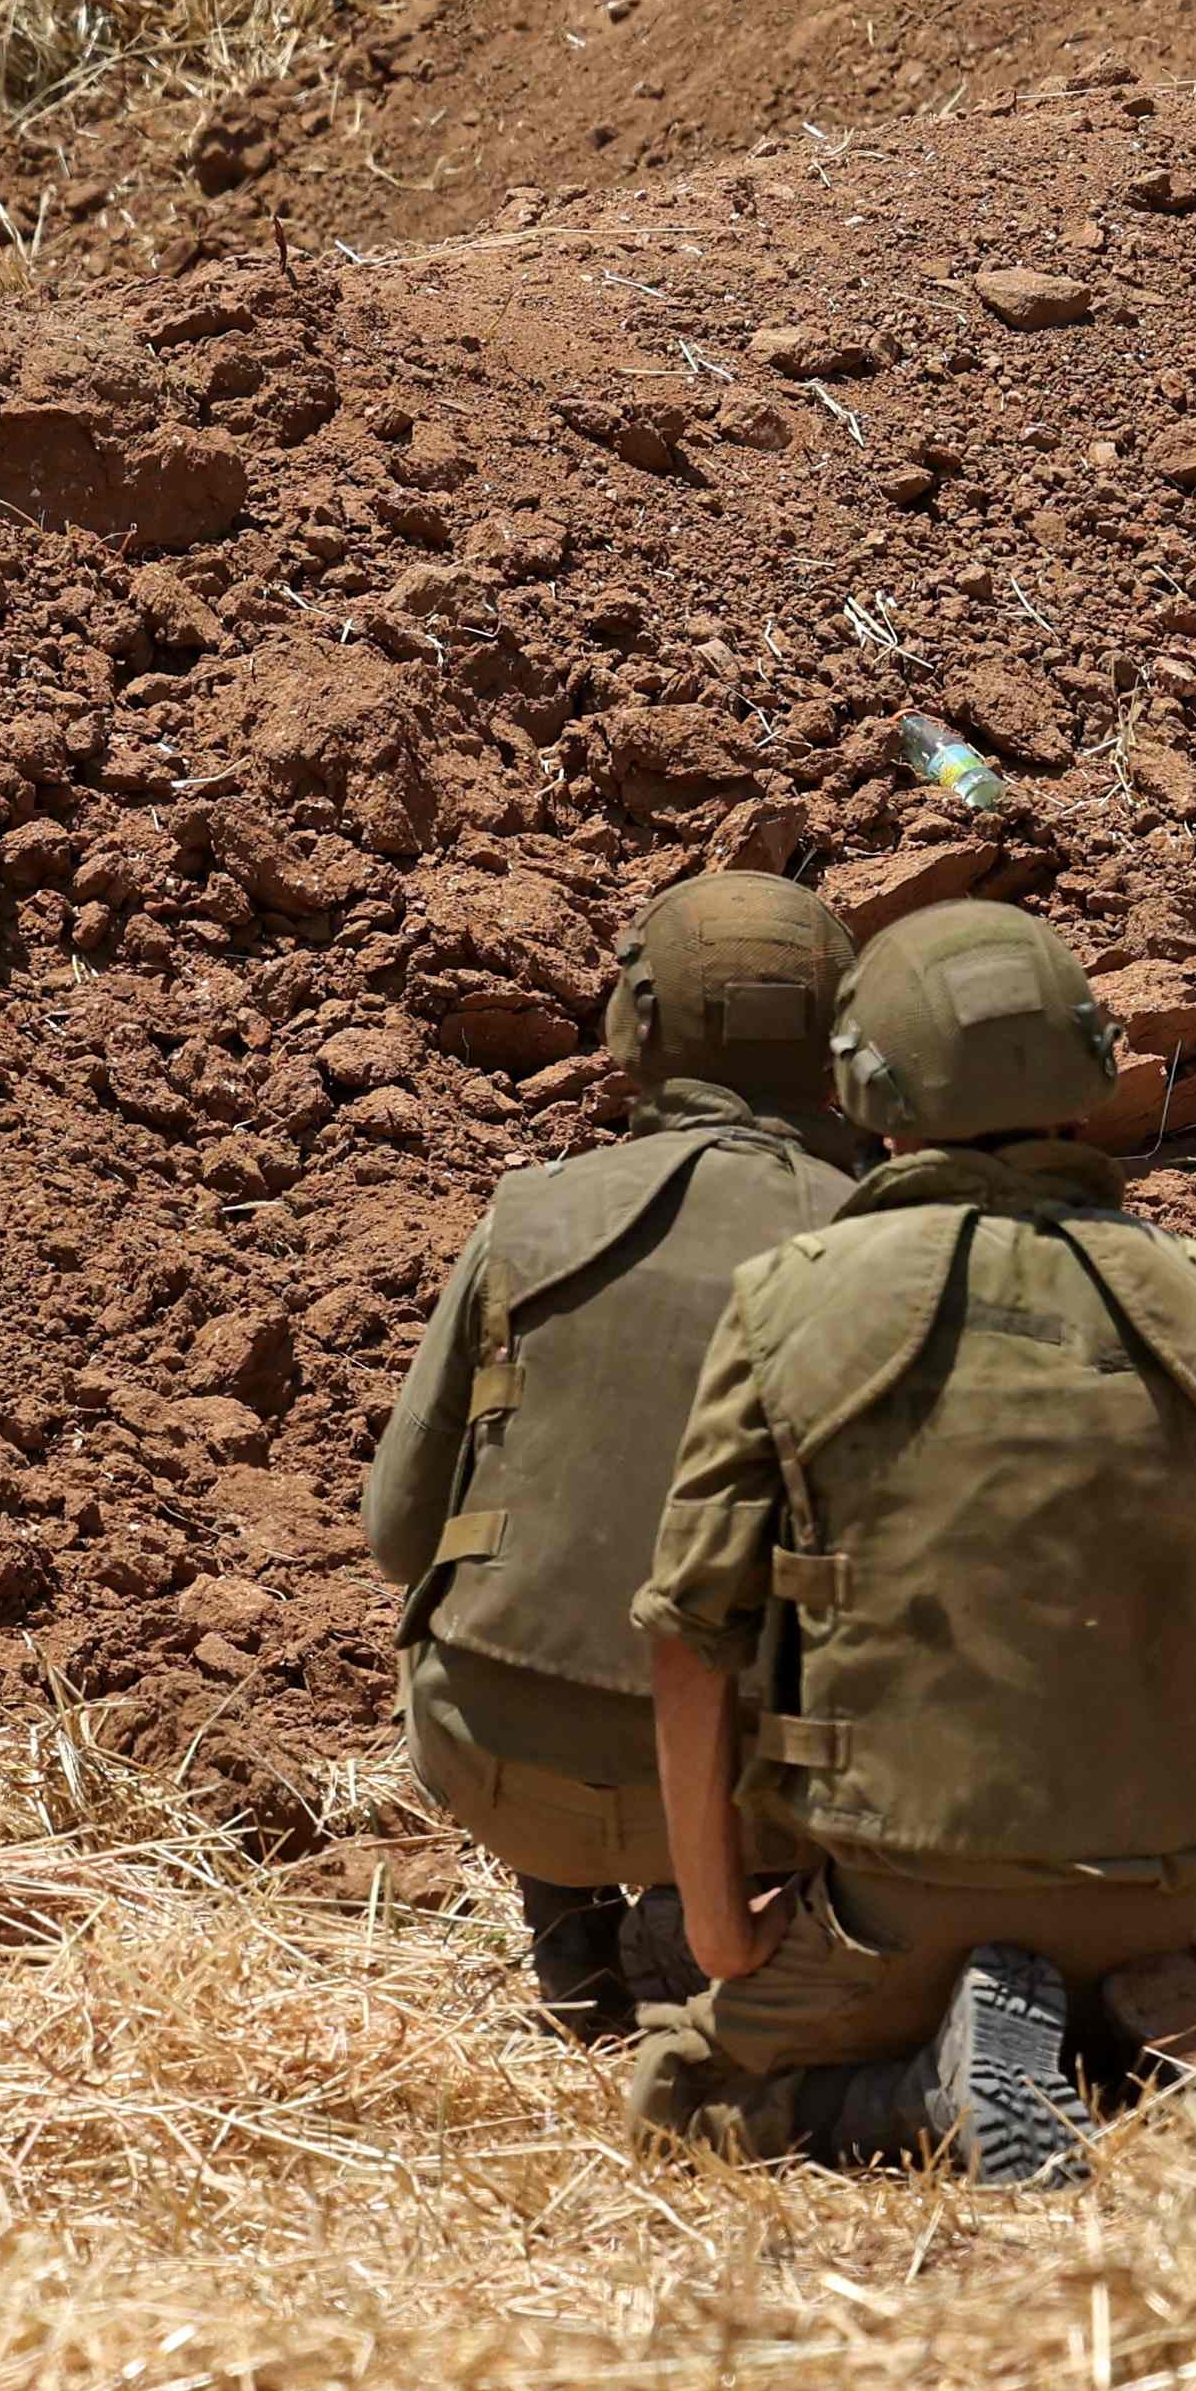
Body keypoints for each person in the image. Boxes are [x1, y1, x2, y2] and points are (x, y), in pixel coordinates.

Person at [626, 901, 1196, 2185]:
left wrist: (726, 1939)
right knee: (1103, 2009)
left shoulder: (793, 1298)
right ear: (1086, 1071)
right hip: (1159, 1904)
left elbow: (691, 1642)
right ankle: (1157, 2052)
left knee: (686, 2097)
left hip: (888, 1908)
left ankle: (930, 2093)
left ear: (869, 1085)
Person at [359, 871, 862, 2038]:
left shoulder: (531, 1216)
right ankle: (692, 1934)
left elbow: (396, 1535)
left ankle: (570, 1930)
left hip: (488, 1761)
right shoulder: (891, 1250)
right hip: (752, 1813)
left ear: (637, 1021)